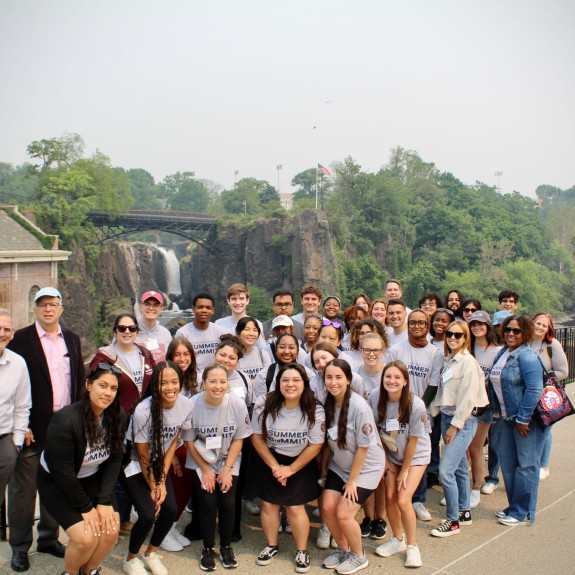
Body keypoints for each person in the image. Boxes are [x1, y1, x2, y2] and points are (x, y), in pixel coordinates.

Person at [8, 287, 85, 573]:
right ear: (35, 309)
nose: (48, 309)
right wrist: (23, 424)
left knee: (59, 485)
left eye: (53, 305)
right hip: (33, 426)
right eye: (43, 305)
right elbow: (15, 383)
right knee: (24, 490)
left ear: (61, 308)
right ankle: (19, 547)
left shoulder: (73, 340)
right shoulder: (20, 340)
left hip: (64, 426)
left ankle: (49, 539)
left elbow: (78, 381)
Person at [37, 363, 125, 575]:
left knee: (111, 531)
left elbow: (114, 459)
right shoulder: (65, 421)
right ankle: (70, 572)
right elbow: (63, 474)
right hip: (57, 481)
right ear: (88, 385)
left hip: (91, 477)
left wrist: (103, 502)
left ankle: (90, 570)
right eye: (102, 385)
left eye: (113, 388)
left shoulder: (117, 415)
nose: (108, 393)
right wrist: (86, 508)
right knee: (86, 537)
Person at [251, 363, 325, 573]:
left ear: (304, 384)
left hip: (301, 461)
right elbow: (257, 437)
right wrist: (276, 467)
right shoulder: (265, 403)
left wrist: (290, 469)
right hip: (270, 459)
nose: (290, 384)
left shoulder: (315, 408)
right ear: (278, 383)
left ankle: (302, 550)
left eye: (296, 380)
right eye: (285, 380)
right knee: (269, 505)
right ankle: (271, 545)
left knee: (294, 507)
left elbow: (315, 445)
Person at [121, 362, 194, 575]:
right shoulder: (143, 411)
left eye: (174, 382)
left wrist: (162, 479)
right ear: (155, 385)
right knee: (147, 513)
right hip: (132, 463)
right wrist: (154, 485)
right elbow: (142, 453)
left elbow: (173, 440)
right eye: (164, 383)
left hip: (157, 461)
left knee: (169, 509)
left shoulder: (186, 405)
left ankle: (151, 553)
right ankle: (131, 559)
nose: (170, 387)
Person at [90, 314, 156, 534]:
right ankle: (118, 519)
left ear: (137, 331)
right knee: (115, 470)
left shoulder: (144, 354)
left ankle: (128, 515)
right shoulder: (105, 358)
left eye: (131, 328)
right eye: (122, 328)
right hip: (114, 422)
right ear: (115, 331)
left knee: (133, 467)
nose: (127, 332)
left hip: (140, 422)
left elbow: (153, 382)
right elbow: (93, 388)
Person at [183, 364, 252, 571]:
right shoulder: (192, 404)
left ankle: (226, 546)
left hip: (228, 459)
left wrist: (227, 470)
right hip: (201, 460)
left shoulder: (236, 404)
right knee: (207, 502)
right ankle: (207, 547)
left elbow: (239, 439)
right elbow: (189, 441)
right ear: (203, 383)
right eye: (212, 381)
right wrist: (205, 470)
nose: (218, 386)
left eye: (222, 381)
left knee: (228, 502)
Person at [321, 359, 384, 575]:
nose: (333, 382)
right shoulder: (326, 402)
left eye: (339, 377)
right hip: (340, 465)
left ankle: (359, 555)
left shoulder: (359, 407)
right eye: (329, 377)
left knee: (344, 514)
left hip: (365, 469)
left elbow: (364, 449)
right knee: (327, 508)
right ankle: (343, 549)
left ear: (348, 380)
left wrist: (352, 481)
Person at [429, 321, 488, 538]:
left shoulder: (467, 363)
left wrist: (455, 426)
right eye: (449, 334)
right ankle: (464, 511)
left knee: (446, 471)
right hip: (446, 417)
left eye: (458, 335)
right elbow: (442, 396)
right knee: (461, 467)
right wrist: (429, 414)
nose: (452, 337)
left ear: (465, 338)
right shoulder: (449, 360)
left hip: (461, 422)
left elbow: (468, 398)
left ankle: (452, 520)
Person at [369, 361, 430, 568]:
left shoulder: (416, 404)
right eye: (388, 376)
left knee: (403, 499)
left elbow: (414, 440)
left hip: (415, 457)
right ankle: (397, 539)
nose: (392, 381)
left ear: (405, 381)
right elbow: (376, 433)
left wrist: (404, 470)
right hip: (391, 454)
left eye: (397, 377)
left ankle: (412, 547)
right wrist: (386, 461)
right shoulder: (375, 397)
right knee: (389, 496)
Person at [387, 309, 444, 523]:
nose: (417, 326)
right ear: (407, 324)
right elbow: (390, 378)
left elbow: (433, 384)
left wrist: (415, 407)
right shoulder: (396, 350)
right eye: (413, 323)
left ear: (427, 326)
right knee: (397, 454)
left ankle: (417, 500)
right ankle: (399, 499)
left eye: (421, 323)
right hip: (395, 413)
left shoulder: (434, 353)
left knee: (418, 457)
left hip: (421, 413)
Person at [488, 315, 545, 526]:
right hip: (505, 417)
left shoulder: (527, 356)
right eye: (508, 330)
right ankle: (514, 507)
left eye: (516, 331)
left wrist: (523, 419)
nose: (511, 334)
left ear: (526, 334)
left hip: (524, 421)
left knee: (526, 466)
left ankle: (523, 512)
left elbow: (534, 389)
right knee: (509, 465)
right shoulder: (504, 352)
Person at [160, 338, 199, 551]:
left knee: (185, 488)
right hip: (170, 445)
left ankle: (171, 525)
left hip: (190, 441)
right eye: (177, 355)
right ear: (170, 357)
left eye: (186, 354)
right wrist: (171, 452)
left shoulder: (195, 380)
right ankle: (163, 530)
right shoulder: (165, 377)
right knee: (173, 488)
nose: (182, 359)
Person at [467, 311, 501, 508]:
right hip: (464, 404)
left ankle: (475, 488)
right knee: (461, 449)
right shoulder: (468, 348)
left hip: (485, 406)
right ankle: (463, 487)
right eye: (473, 324)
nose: (477, 327)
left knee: (475, 448)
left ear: (488, 326)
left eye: (481, 324)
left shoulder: (498, 351)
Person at [530, 312, 569, 480]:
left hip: (547, 395)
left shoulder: (552, 345)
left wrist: (542, 376)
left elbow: (564, 372)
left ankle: (542, 465)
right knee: (537, 428)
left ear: (548, 329)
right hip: (528, 394)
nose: (539, 327)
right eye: (537, 323)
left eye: (544, 325)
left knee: (545, 429)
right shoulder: (524, 341)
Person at [0, 309, 31, 517]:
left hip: (5, 442)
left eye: (7, 329)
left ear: (12, 333)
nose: (2, 333)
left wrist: (16, 443)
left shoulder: (18, 363)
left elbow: (22, 405)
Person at [175, 293, 227, 378]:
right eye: (200, 307)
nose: (204, 310)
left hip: (215, 376)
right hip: (191, 378)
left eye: (208, 308)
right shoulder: (183, 333)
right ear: (193, 309)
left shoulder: (220, 331)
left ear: (213, 310)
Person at [136, 291, 172, 364]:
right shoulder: (128, 330)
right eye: (147, 304)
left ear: (161, 308)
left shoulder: (166, 334)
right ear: (140, 306)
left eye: (155, 305)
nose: (151, 308)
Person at [236, 316, 273, 383]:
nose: (251, 334)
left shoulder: (263, 355)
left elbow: (268, 378)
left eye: (255, 330)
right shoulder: (233, 356)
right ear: (238, 332)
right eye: (247, 329)